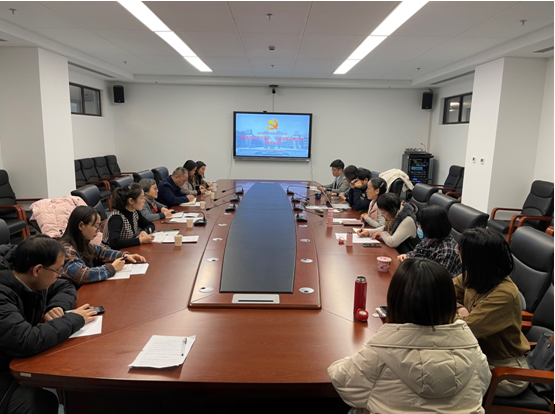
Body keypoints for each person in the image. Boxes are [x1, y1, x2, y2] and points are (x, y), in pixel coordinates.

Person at [328, 258, 491, 414]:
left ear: (395, 301)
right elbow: (482, 386)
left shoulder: (380, 351)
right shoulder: (471, 347)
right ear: (449, 303)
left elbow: (342, 381)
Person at [0, 235, 97, 414]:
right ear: (37, 270)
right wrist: (75, 319)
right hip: (4, 374)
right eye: (57, 270)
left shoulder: (29, 276)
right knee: (40, 403)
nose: (59, 274)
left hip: (13, 359)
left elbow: (65, 286)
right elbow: (26, 340)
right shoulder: (3, 294)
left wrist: (56, 306)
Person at [454, 228, 530, 397]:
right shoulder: (473, 276)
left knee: (441, 377)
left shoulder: (504, 294)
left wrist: (447, 311)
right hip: (477, 355)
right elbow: (441, 291)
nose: (458, 254)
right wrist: (459, 308)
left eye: (460, 251)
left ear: (476, 260)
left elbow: (464, 329)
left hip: (505, 372)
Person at [60, 206, 146, 287]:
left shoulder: (83, 242)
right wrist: (112, 268)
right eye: (95, 226)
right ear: (81, 225)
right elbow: (83, 275)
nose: (97, 231)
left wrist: (124, 256)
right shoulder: (65, 250)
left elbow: (101, 252)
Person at [397, 205, 461, 277]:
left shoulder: (446, 251)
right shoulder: (430, 239)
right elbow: (416, 253)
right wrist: (406, 256)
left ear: (431, 227)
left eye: (420, 225)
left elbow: (438, 279)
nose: (418, 227)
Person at [101, 184, 155, 250]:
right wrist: (140, 240)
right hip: (110, 252)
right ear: (131, 201)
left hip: (127, 248)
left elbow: (150, 225)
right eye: (141, 198)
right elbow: (114, 243)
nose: (144, 200)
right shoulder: (116, 218)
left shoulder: (134, 212)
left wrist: (144, 232)